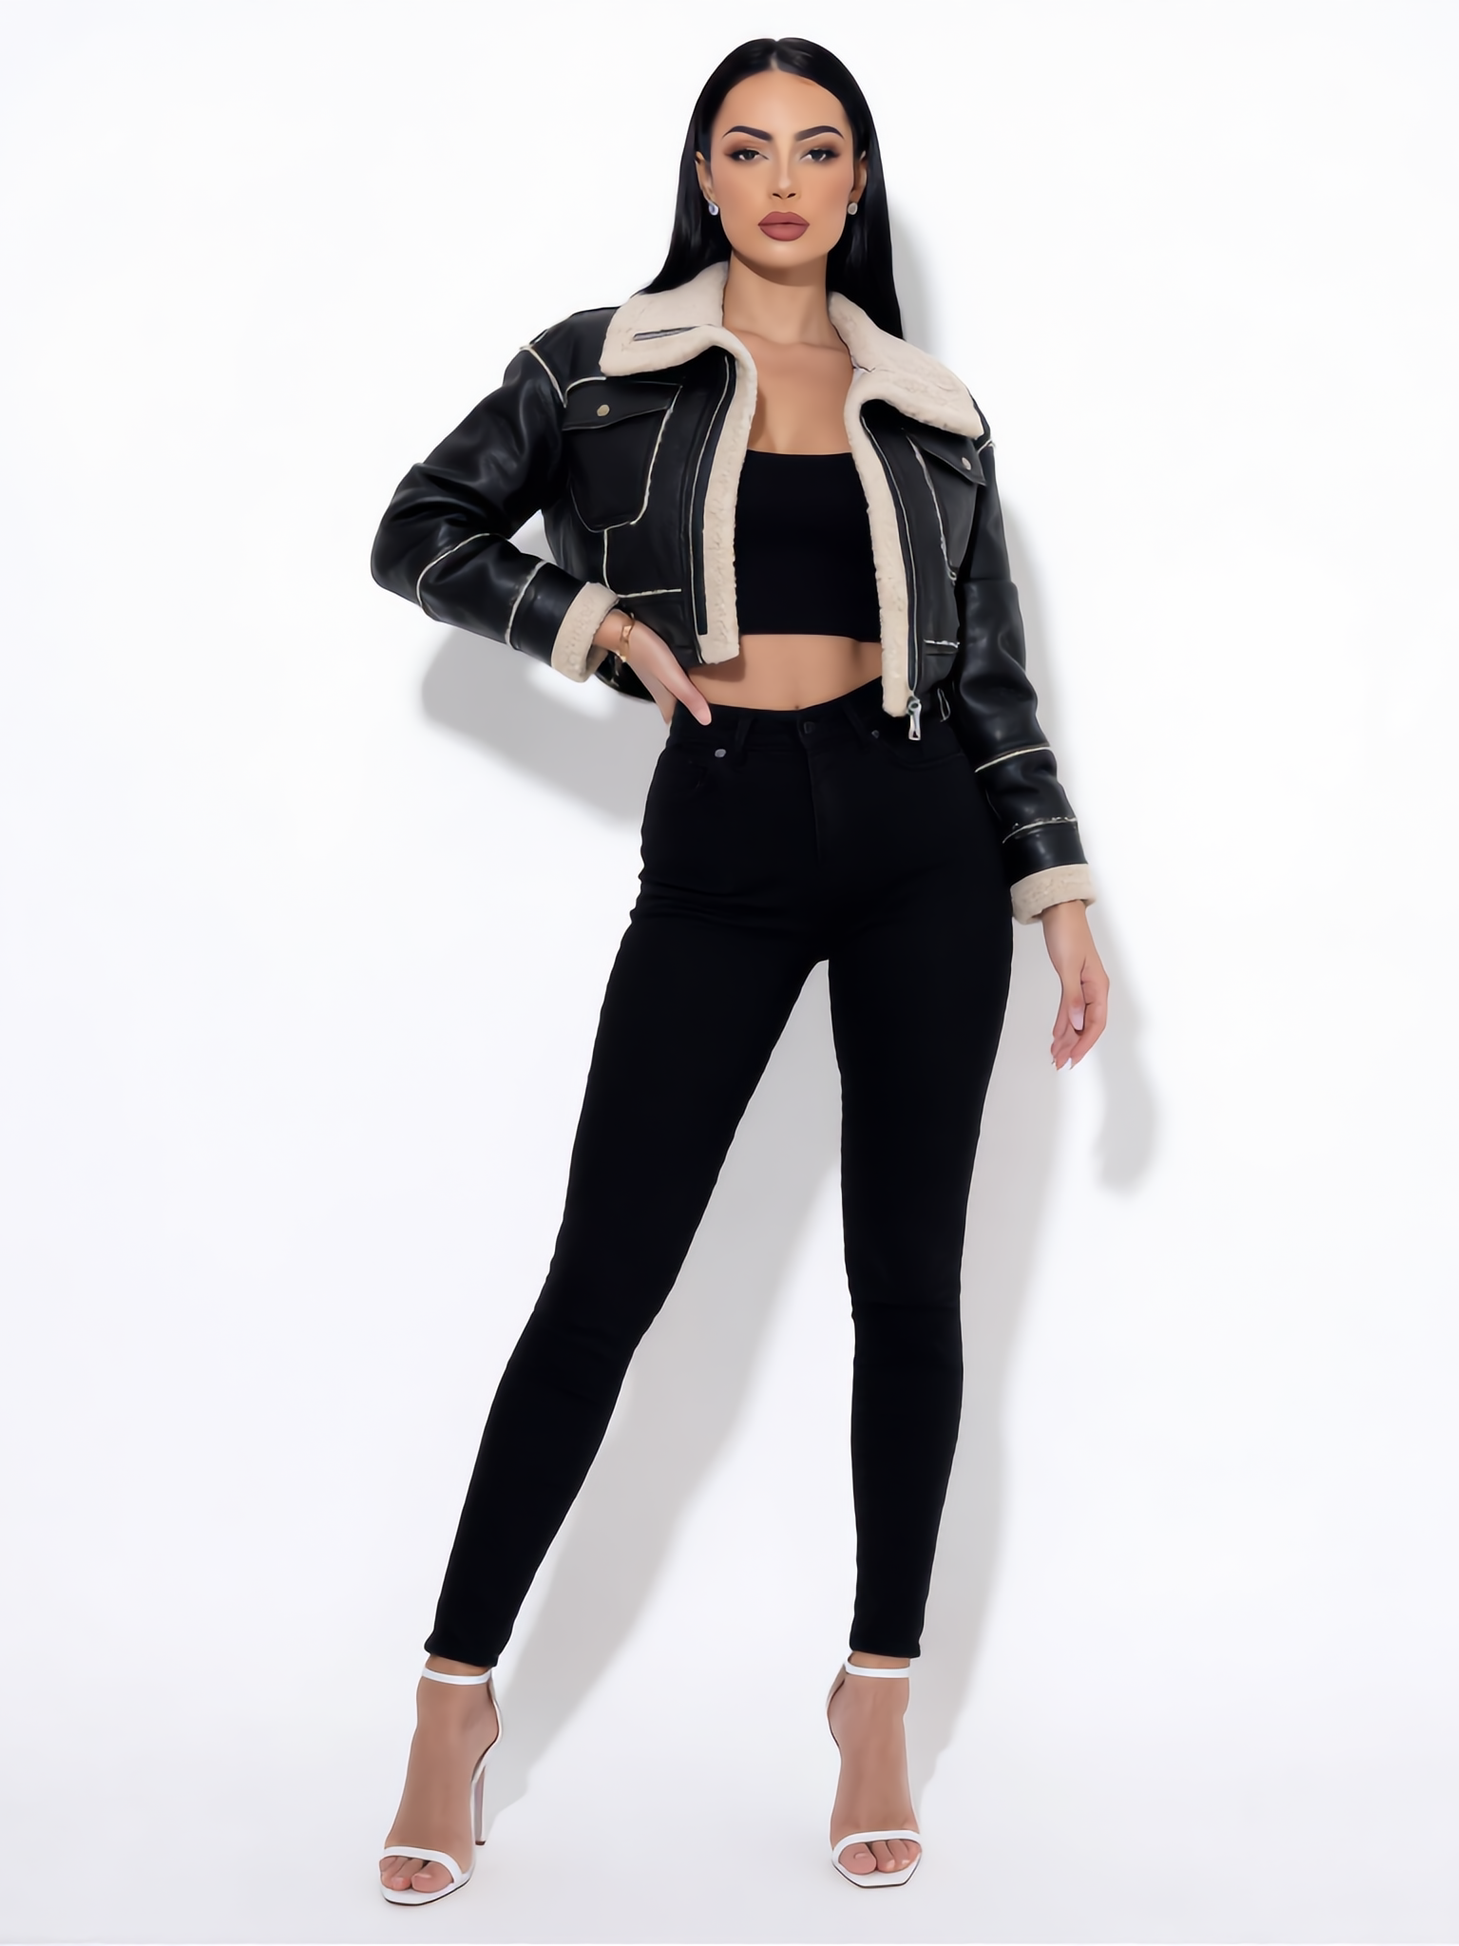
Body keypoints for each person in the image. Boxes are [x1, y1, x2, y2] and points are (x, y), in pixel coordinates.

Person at [366, 36, 1107, 1900]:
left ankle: (876, 1694)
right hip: (721, 832)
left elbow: (990, 674)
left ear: (858, 183)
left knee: (908, 1286)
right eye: (749, 148)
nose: (784, 181)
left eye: (818, 149)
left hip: (922, 841)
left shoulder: (933, 409)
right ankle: (453, 1698)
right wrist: (593, 620)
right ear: (703, 175)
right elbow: (416, 532)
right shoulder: (595, 364)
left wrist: (1056, 890)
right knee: (602, 1280)